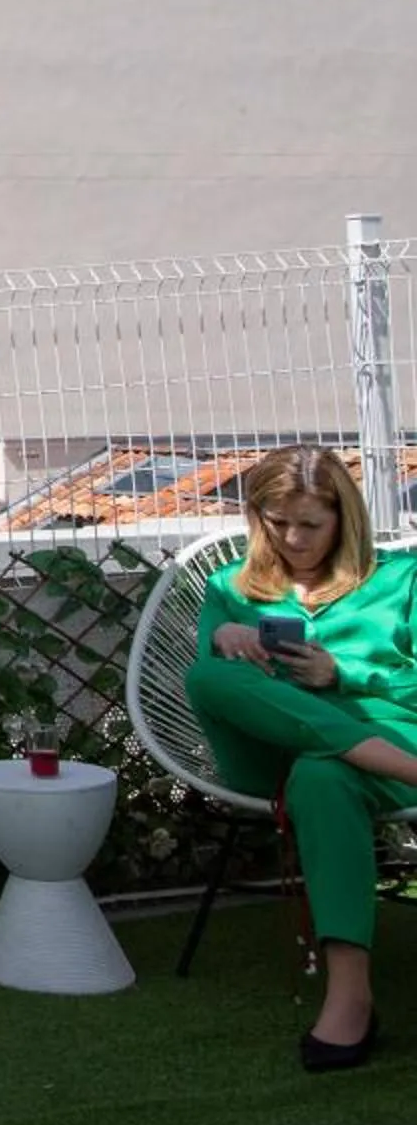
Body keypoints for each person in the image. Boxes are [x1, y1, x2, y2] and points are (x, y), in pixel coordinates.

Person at [184, 443, 417, 1070]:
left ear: (345, 518)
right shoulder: (229, 586)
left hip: (388, 734)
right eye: (276, 522)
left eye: (310, 524)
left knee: (322, 775)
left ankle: (350, 998)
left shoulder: (402, 580)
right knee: (208, 676)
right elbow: (222, 688)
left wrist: (343, 671)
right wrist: (227, 639)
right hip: (267, 750)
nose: (292, 538)